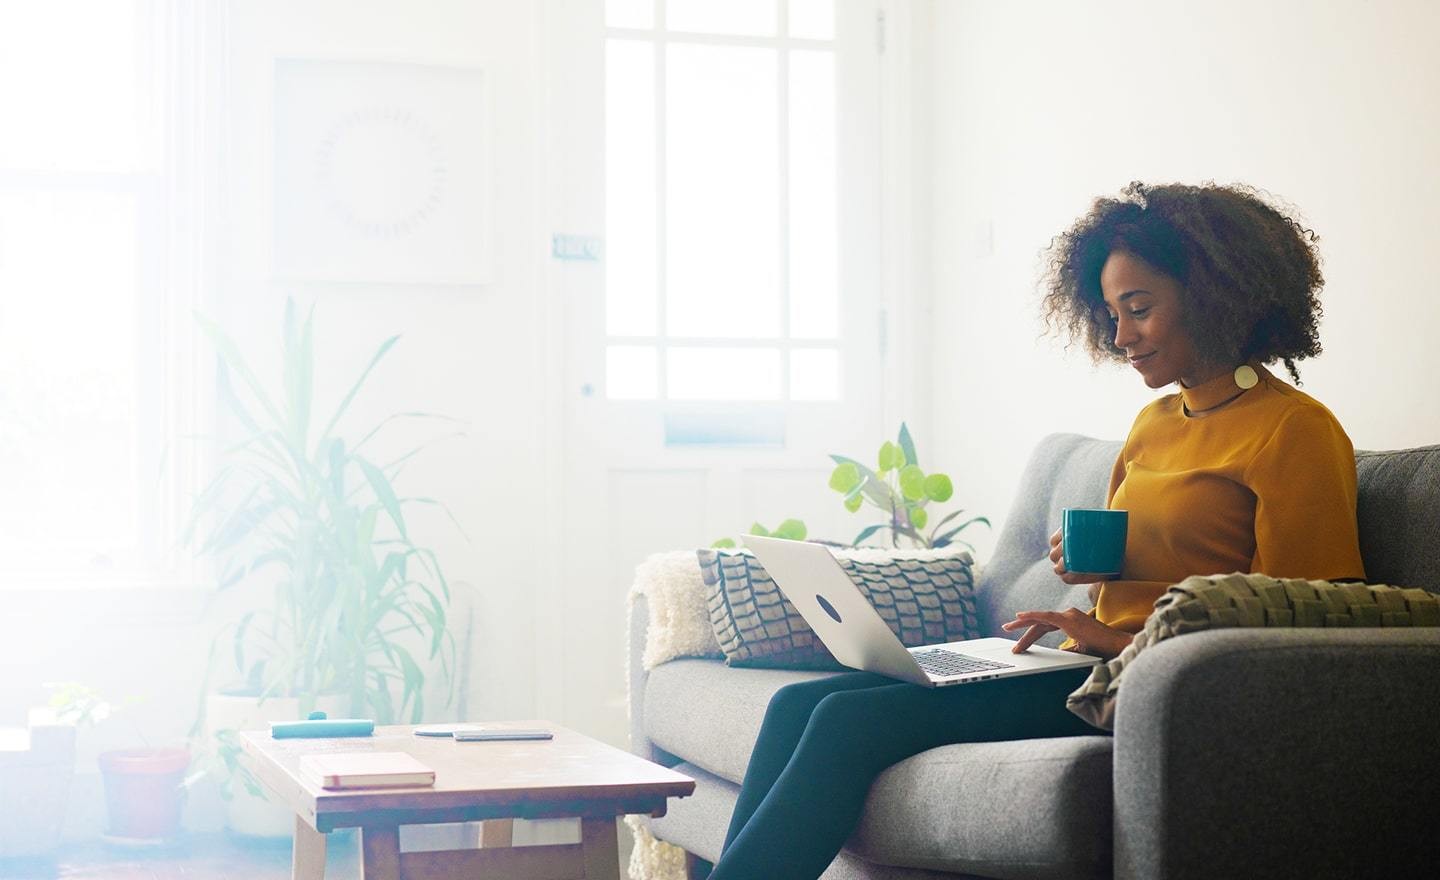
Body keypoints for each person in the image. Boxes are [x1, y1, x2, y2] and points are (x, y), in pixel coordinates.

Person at [705, 181, 1365, 880]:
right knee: (800, 701)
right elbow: (1162, 567)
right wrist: (1092, 577)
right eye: (1110, 314)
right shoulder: (1153, 424)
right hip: (1083, 656)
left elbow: (1304, 622)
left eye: (1138, 310)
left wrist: (1111, 638)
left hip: (1144, 682)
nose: (1119, 338)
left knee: (847, 723)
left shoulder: (1296, 430)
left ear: (1213, 295)